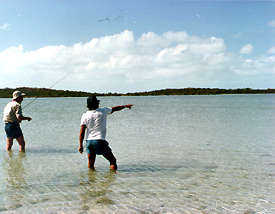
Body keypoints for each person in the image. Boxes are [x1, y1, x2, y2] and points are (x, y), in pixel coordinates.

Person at [78, 96, 133, 170]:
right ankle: (112, 180)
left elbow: (82, 132)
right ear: (97, 103)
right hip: (99, 141)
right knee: (113, 161)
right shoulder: (103, 111)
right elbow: (115, 109)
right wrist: (125, 106)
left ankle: (91, 181)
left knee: (91, 165)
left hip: (89, 142)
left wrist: (80, 145)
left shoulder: (84, 115)